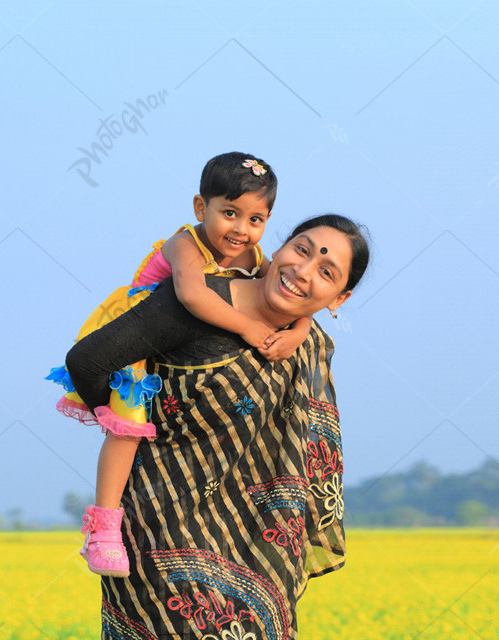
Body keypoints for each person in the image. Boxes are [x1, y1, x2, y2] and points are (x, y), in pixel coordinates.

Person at [64, 215, 369, 639]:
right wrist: (127, 419)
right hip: (159, 542)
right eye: (302, 249)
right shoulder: (192, 304)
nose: (303, 271)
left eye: (326, 271)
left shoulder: (309, 341)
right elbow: (86, 362)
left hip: (262, 551)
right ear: (279, 250)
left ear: (340, 297)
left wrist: (299, 330)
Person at [46, 152, 313, 577]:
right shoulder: (184, 244)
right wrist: (247, 328)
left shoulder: (253, 257)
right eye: (229, 213)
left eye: (256, 219)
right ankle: (103, 531)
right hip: (135, 342)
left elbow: (288, 297)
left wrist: (298, 333)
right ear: (199, 207)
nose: (242, 230)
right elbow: (192, 296)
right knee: (127, 429)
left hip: (176, 357)